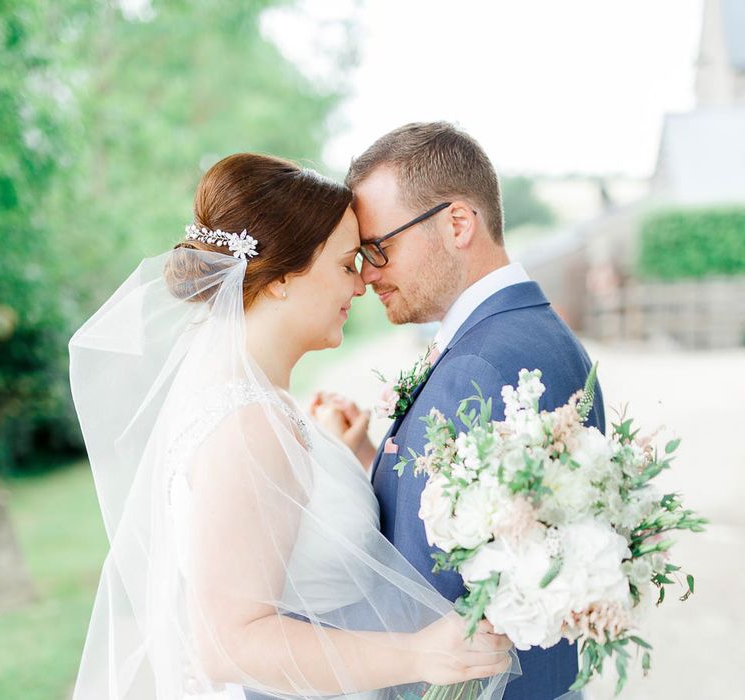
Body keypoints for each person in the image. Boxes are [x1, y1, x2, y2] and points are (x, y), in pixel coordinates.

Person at [68, 152, 516, 700]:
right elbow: (228, 645)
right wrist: (421, 652)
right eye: (347, 263)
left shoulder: (258, 403)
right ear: (281, 279)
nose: (361, 284)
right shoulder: (245, 425)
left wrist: (340, 454)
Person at [313, 122, 605, 700]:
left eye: (380, 248)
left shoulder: (490, 360)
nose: (368, 275)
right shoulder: (513, 333)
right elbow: (475, 510)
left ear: (457, 223)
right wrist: (372, 457)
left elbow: (438, 578)